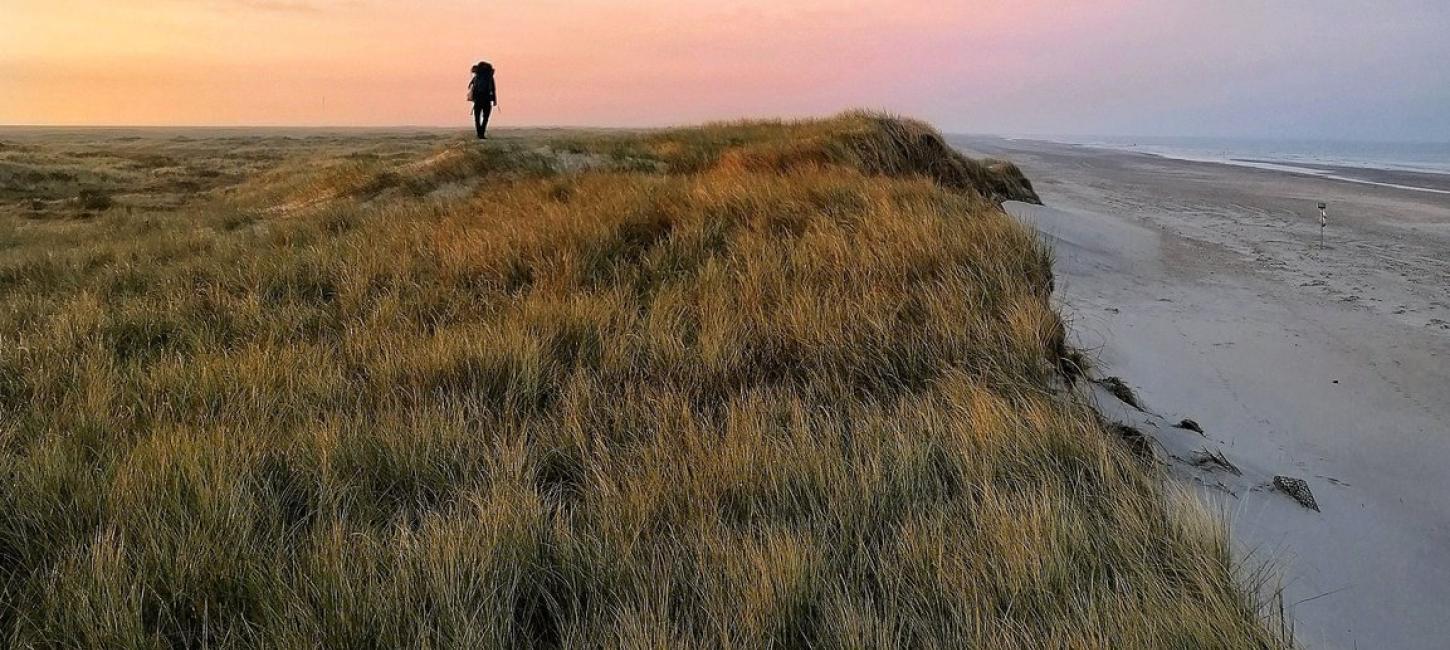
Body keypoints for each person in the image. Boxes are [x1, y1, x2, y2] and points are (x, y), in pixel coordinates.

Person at [468, 62, 497, 140]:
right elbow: (493, 89)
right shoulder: (490, 77)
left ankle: (479, 133)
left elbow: (470, 88)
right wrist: (494, 100)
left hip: (478, 100)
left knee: (477, 118)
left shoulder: (477, 77)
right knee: (485, 118)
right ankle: (482, 133)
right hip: (487, 99)